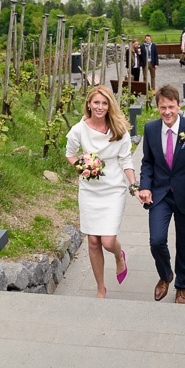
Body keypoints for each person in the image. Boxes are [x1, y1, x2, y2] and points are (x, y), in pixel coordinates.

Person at [136, 84, 185, 305]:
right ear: (157, 108)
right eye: (162, 108)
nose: (167, 112)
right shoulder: (150, 129)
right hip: (160, 195)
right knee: (156, 240)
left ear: (179, 105)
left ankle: (182, 287)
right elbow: (147, 162)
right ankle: (165, 274)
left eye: (171, 107)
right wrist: (145, 186)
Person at [66, 85, 137, 298]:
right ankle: (100, 289)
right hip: (89, 191)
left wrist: (133, 183)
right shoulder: (79, 130)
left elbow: (125, 159)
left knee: (107, 241)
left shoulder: (119, 129)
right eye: (96, 102)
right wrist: (84, 166)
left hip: (114, 189)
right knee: (93, 241)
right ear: (89, 104)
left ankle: (118, 255)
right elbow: (70, 154)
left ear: (109, 106)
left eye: (104, 103)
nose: (100, 107)